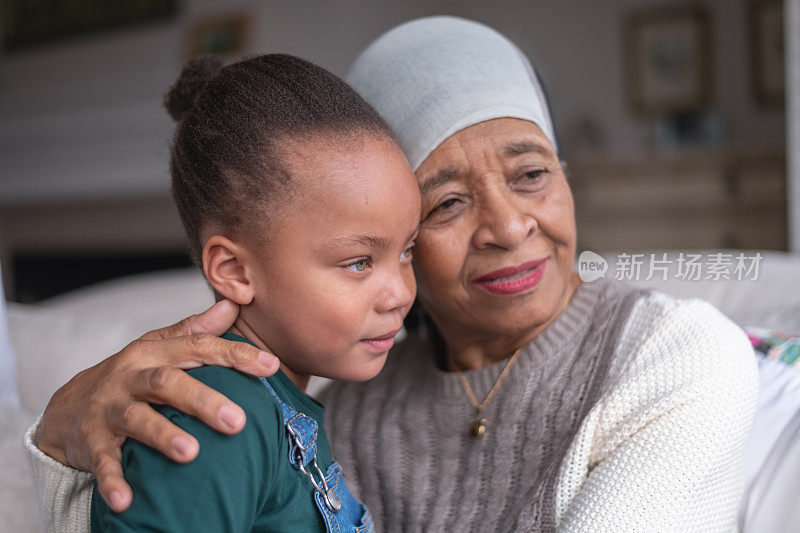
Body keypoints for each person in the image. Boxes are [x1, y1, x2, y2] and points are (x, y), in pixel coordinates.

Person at [26, 17, 758, 532]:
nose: (506, 226)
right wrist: (61, 433)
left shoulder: (679, 350)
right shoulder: (340, 400)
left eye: (532, 172)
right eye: (446, 203)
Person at [89, 52, 419, 531]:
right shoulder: (221, 414)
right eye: (358, 262)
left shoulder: (274, 407)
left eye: (407, 251)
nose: (400, 294)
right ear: (235, 271)